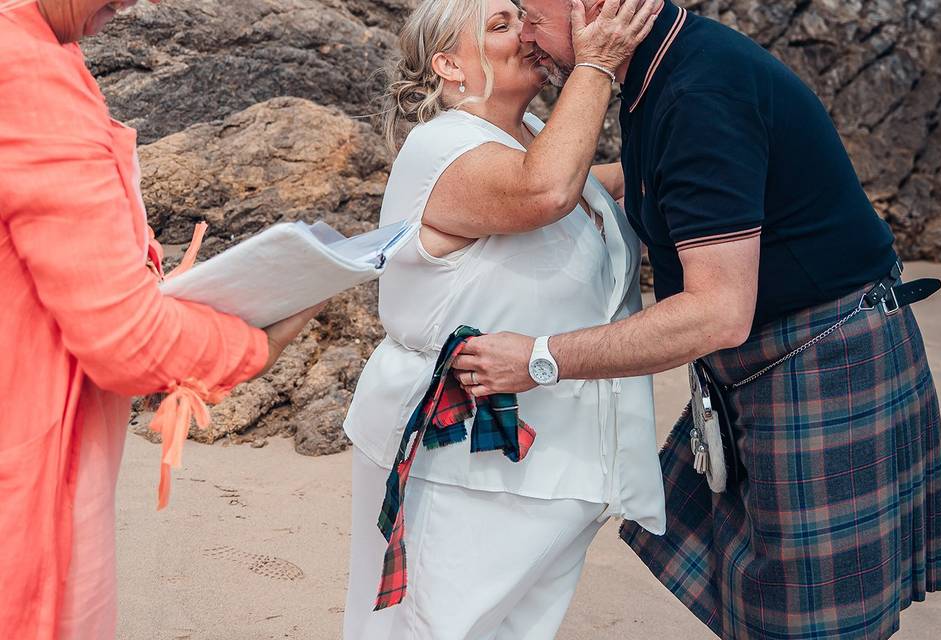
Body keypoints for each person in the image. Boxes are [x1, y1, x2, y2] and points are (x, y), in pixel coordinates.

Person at [455, 1, 941, 638]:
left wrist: (539, 358)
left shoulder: (698, 92)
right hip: (786, 356)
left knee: (810, 624)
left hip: (824, 359)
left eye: (531, 13)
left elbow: (716, 315)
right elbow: (646, 180)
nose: (526, 34)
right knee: (778, 607)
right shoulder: (666, 67)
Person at [341, 0, 666, 638]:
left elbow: (584, 189)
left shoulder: (537, 137)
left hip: (562, 465)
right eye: (499, 25)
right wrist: (596, 63)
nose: (526, 31)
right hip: (467, 462)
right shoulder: (441, 148)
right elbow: (542, 193)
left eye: (523, 17)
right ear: (448, 65)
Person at [0, 1, 322, 638]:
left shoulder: (41, 43)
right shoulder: (26, 68)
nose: (133, 2)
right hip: (27, 445)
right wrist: (253, 345)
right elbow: (123, 339)